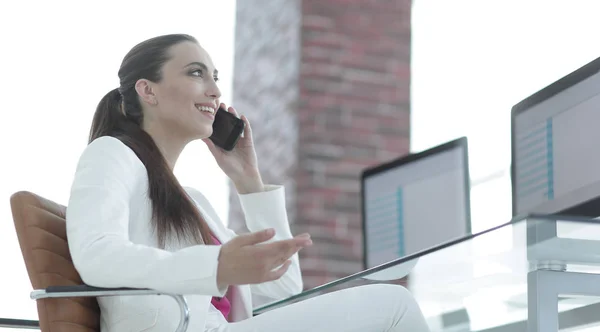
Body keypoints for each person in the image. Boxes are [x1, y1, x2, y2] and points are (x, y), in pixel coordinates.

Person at [65, 33, 431, 332]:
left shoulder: (191, 200)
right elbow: (96, 254)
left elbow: (283, 288)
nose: (215, 91)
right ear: (148, 91)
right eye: (196, 73)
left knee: (392, 305)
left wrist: (249, 181)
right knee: (394, 305)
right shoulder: (111, 153)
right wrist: (218, 266)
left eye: (215, 78)